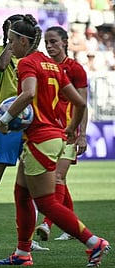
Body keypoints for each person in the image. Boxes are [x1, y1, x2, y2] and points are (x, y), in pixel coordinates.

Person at [0, 16, 110, 267]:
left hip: (40, 139)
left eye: (12, 41)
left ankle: (93, 242)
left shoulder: (27, 62)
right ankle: (23, 254)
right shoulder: (53, 65)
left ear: (24, 41)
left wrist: (5, 119)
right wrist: (70, 128)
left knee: (46, 201)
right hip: (53, 137)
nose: (10, 45)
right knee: (22, 194)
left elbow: (28, 93)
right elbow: (79, 103)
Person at [0, 14, 48, 252]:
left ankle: (28, 241)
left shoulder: (33, 61)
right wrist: (10, 45)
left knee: (31, 184)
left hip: (31, 125)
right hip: (4, 123)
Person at [35, 26, 88, 242]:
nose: (49, 46)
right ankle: (71, 225)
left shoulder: (75, 69)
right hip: (47, 132)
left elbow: (83, 104)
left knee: (56, 177)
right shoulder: (43, 67)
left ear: (65, 42)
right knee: (60, 181)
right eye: (46, 42)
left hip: (68, 132)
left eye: (54, 41)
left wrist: (81, 133)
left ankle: (47, 224)